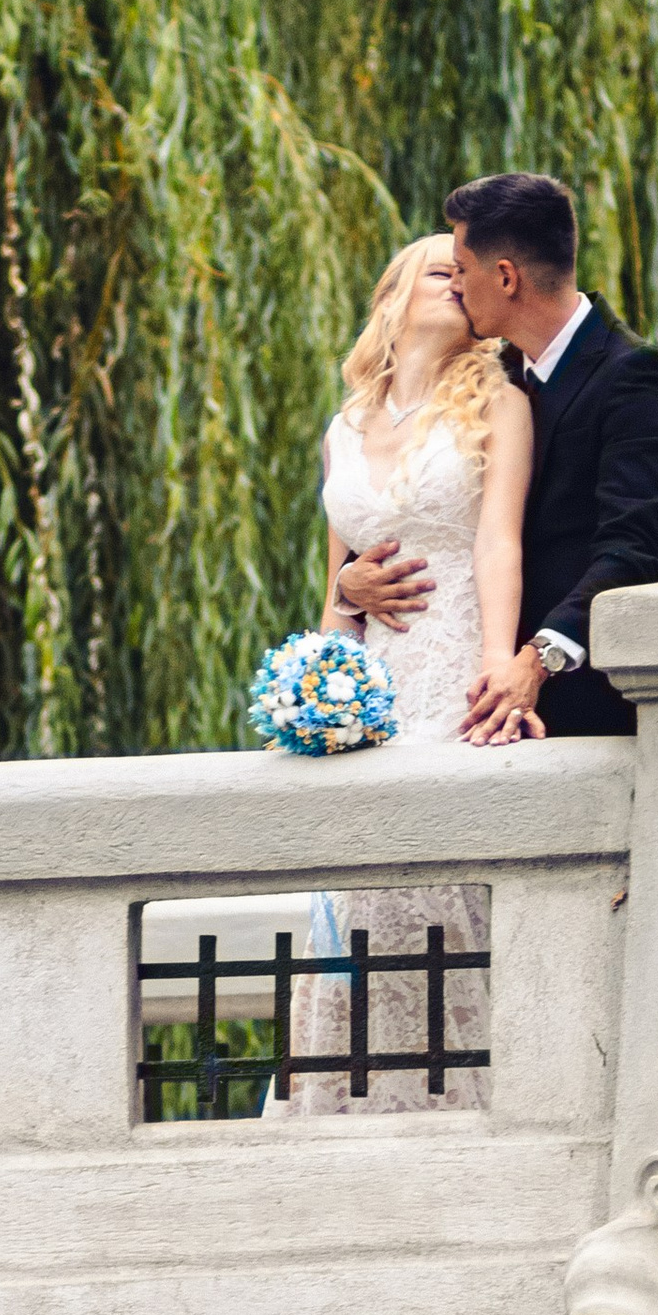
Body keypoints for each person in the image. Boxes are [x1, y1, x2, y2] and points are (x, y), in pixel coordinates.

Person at [267, 235, 526, 1116]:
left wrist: (497, 663)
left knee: (433, 891)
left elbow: (498, 540)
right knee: (357, 886)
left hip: (450, 664)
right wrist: (341, 600)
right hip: (370, 683)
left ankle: (452, 1103)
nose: (456, 275)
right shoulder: (343, 430)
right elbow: (340, 587)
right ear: (393, 296)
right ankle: (345, 1102)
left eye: (466, 269)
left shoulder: (497, 402)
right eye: (436, 267)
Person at [422, 170, 658, 742]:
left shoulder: (636, 377)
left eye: (462, 268)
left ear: (504, 277)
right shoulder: (494, 382)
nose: (454, 285)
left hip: (585, 709)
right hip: (480, 691)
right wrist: (356, 582)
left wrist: (536, 660)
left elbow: (632, 552)